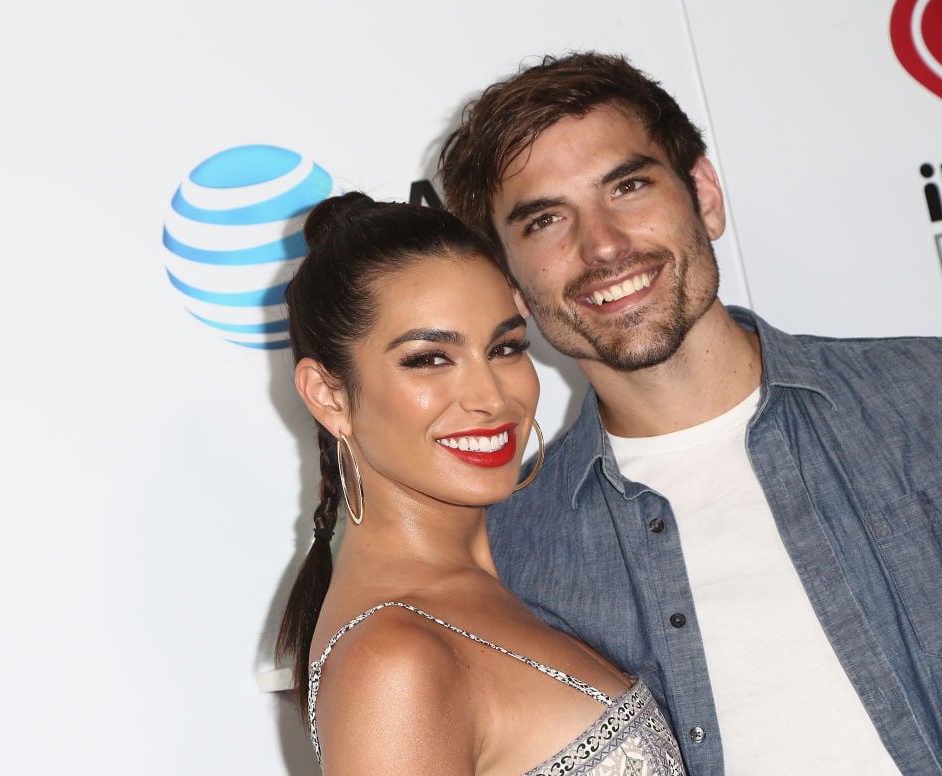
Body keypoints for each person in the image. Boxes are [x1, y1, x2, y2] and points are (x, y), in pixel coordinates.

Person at [438, 51, 942, 775]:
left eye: (629, 185)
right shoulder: (508, 552)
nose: (603, 246)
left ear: (703, 193)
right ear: (508, 281)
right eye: (546, 220)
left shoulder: (927, 396)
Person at [276, 193, 686, 775]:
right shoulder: (393, 664)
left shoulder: (501, 582)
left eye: (505, 348)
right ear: (328, 394)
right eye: (428, 359)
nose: (492, 397)